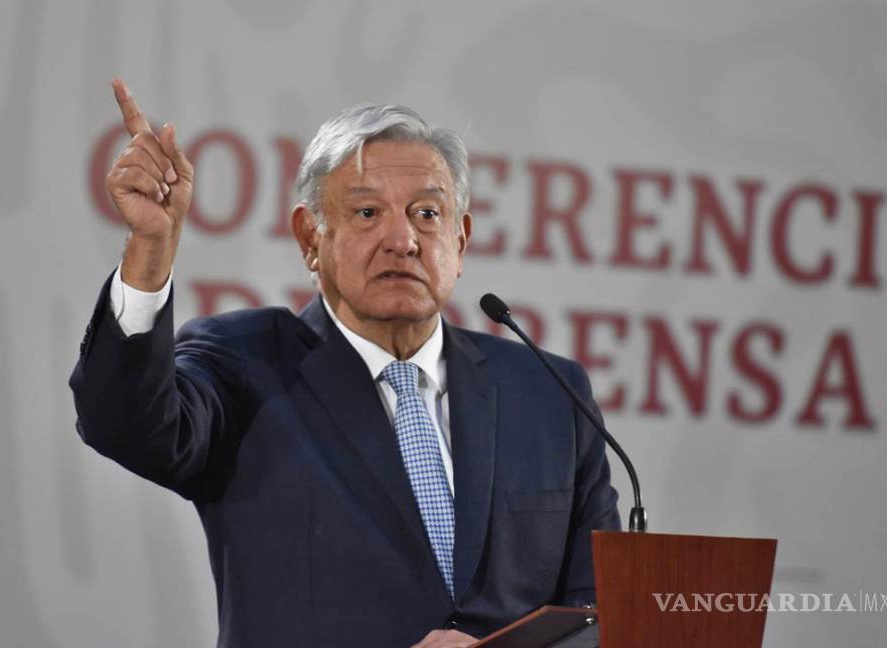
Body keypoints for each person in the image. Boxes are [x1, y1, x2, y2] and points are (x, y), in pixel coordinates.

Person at [70, 78, 620, 648]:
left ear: (460, 240)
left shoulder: (550, 393)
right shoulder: (243, 363)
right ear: (310, 238)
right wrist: (151, 250)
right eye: (366, 212)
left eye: (427, 213)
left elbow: (599, 612)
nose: (403, 239)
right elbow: (125, 425)